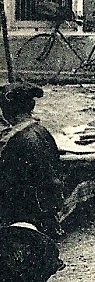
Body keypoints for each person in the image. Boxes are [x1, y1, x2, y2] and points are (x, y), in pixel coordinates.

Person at [0, 84, 64, 238]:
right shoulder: (40, 130)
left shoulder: (16, 141)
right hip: (49, 201)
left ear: (8, 111)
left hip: (30, 209)